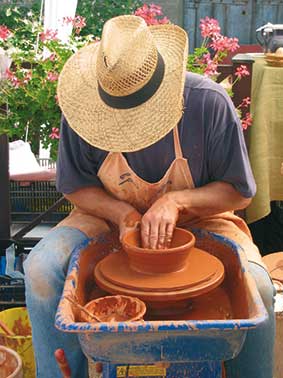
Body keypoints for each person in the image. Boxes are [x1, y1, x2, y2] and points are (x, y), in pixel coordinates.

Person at [23, 15, 275, 378]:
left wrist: (176, 201)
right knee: (40, 269)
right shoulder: (84, 112)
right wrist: (121, 212)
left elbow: (237, 194)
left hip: (201, 217)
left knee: (259, 288)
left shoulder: (208, 103)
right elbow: (75, 186)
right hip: (106, 215)